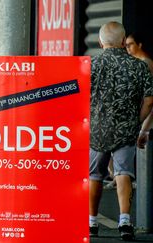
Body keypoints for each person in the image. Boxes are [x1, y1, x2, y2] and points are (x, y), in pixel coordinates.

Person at [89, 21, 153, 241]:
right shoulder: (140, 66)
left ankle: (91, 222)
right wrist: (136, 122)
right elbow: (149, 101)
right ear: (123, 41)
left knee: (95, 174)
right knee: (124, 172)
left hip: (97, 129)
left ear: (100, 41)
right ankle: (125, 221)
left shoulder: (92, 64)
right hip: (127, 128)